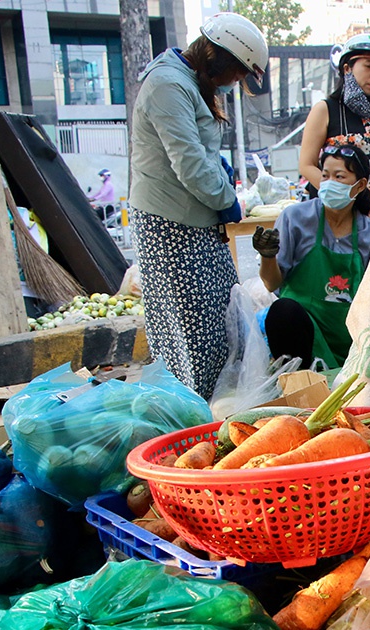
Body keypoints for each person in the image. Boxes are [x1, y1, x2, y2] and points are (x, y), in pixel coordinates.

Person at [128, 12, 265, 400]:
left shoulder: (191, 82)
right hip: (171, 227)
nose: (236, 82)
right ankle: (195, 418)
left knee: (224, 324)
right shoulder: (167, 85)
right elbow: (190, 165)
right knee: (192, 335)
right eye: (237, 73)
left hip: (198, 224)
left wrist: (222, 186)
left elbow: (202, 154)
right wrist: (228, 201)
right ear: (218, 57)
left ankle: (217, 409)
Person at [254, 144, 370, 370]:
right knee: (282, 312)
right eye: (325, 176)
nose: (329, 182)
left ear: (360, 185)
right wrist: (268, 256)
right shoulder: (295, 218)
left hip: (352, 338)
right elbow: (271, 283)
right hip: (303, 332)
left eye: (339, 176)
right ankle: (300, 383)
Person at [299, 34, 370, 234]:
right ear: (347, 68)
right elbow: (306, 164)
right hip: (342, 214)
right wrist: (336, 194)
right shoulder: (325, 109)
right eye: (369, 66)